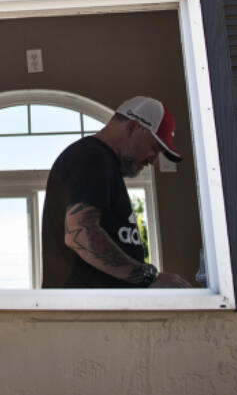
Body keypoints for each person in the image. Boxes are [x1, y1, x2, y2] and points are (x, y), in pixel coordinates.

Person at [41, 96, 191, 289]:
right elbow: (80, 234)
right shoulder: (90, 156)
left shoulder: (103, 163)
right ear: (132, 127)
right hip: (86, 312)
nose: (152, 160)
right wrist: (148, 278)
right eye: (154, 148)